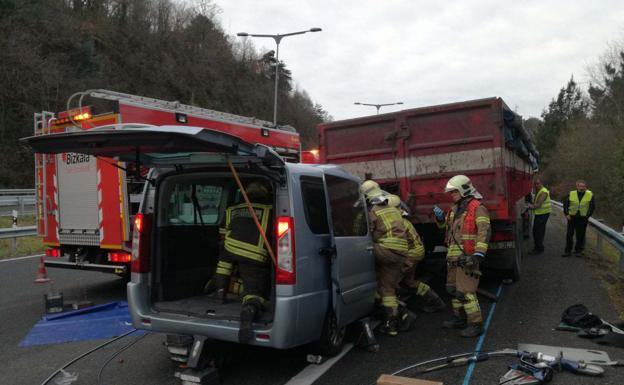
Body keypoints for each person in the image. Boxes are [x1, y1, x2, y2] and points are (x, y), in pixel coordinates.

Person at [210, 181, 273, 343]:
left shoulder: (232, 209)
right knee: (254, 289)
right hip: (254, 253)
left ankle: (220, 294)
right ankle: (249, 309)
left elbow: (222, 232)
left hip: (229, 247)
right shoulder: (270, 209)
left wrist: (228, 246)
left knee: (223, 266)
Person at [433, 175, 491, 338]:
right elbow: (447, 228)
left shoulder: (477, 207)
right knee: (453, 290)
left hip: (468, 257)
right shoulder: (454, 210)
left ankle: (476, 324)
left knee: (466, 292)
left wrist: (478, 255)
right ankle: (459, 319)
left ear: (464, 190)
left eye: (454, 192)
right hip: (453, 257)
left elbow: (484, 231)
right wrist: (439, 219)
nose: (451, 195)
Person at [360, 180, 410, 336]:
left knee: (359, 249)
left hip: (385, 250)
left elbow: (365, 232)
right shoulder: (394, 208)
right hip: (401, 254)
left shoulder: (373, 210)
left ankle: (371, 302)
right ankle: (392, 325)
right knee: (388, 288)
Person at [387, 195, 446, 312]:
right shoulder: (401, 220)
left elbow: (396, 244)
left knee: (390, 283)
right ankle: (436, 301)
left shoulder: (396, 223)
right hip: (415, 252)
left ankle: (401, 314)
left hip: (411, 254)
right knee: (408, 282)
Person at [562, 180, 595, 257]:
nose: (581, 188)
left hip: (583, 218)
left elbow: (592, 207)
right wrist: (566, 214)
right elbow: (565, 204)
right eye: (580, 186)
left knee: (580, 235)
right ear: (577, 186)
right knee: (569, 234)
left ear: (585, 187)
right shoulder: (571, 193)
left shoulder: (590, 194)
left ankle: (578, 251)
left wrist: (587, 216)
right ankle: (567, 251)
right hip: (572, 217)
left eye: (583, 186)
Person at [528, 179, 551, 254]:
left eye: (538, 184)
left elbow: (538, 205)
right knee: (536, 231)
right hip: (540, 214)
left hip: (543, 214)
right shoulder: (539, 190)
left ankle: (539, 248)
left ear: (542, 183)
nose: (536, 185)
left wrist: (529, 206)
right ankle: (538, 247)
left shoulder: (543, 192)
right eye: (535, 184)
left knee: (538, 232)